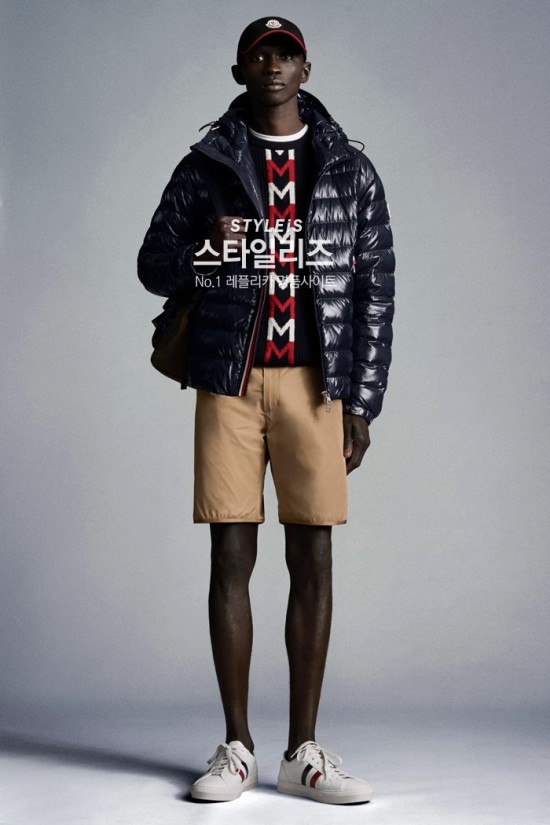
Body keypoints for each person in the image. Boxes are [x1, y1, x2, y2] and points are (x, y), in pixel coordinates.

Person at [138, 16, 395, 805]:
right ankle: (237, 748)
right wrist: (208, 250)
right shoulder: (208, 165)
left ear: (306, 68)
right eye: (260, 55)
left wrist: (363, 400)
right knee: (231, 554)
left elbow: (375, 287)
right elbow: (153, 264)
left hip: (318, 384)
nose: (274, 65)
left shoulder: (348, 169)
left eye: (286, 54)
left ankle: (302, 751)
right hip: (230, 378)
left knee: (313, 554)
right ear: (239, 71)